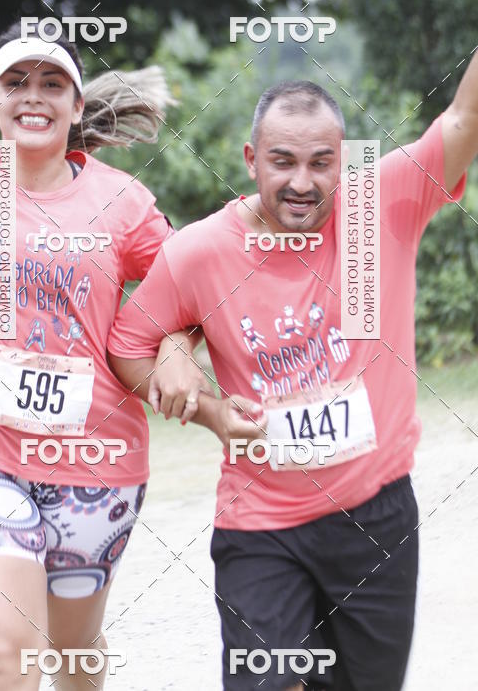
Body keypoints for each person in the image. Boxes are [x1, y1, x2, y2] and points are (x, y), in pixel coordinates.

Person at [107, 70, 478, 690]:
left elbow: (464, 123)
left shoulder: (374, 209)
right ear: (252, 159)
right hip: (260, 525)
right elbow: (127, 346)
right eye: (282, 162)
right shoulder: (199, 252)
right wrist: (207, 408)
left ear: (342, 163)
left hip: (376, 518)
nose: (301, 183)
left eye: (320, 163)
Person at [0, 19, 185, 690]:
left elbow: (186, 288)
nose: (32, 95)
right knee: (4, 663)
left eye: (51, 82)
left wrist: (177, 349)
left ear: (77, 105)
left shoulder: (122, 201)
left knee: (72, 654)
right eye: (15, 82)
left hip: (96, 463)